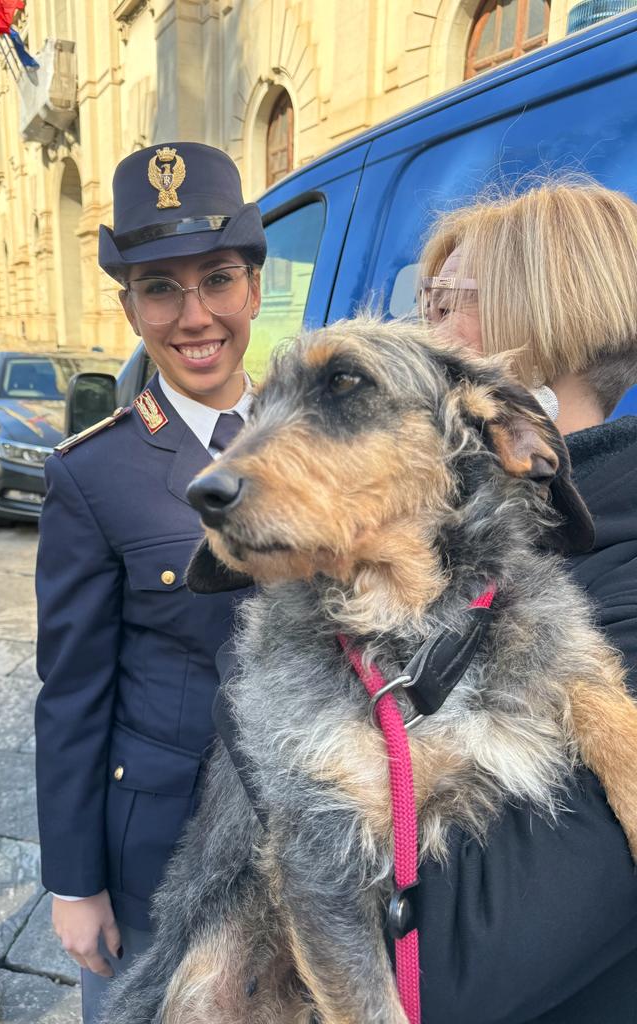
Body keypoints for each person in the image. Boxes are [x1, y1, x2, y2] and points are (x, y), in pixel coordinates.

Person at [34, 142, 265, 1022]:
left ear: (252, 287)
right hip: (157, 854)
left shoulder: (312, 436)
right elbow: (71, 694)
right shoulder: (95, 474)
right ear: (130, 307)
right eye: (161, 287)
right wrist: (74, 883)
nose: (194, 314)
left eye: (217, 278)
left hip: (301, 835)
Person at [416, 180, 637, 1022]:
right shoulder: (482, 535)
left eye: (445, 304)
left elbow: (450, 966)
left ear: (539, 334)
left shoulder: (613, 574)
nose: (415, 331)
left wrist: (285, 623)